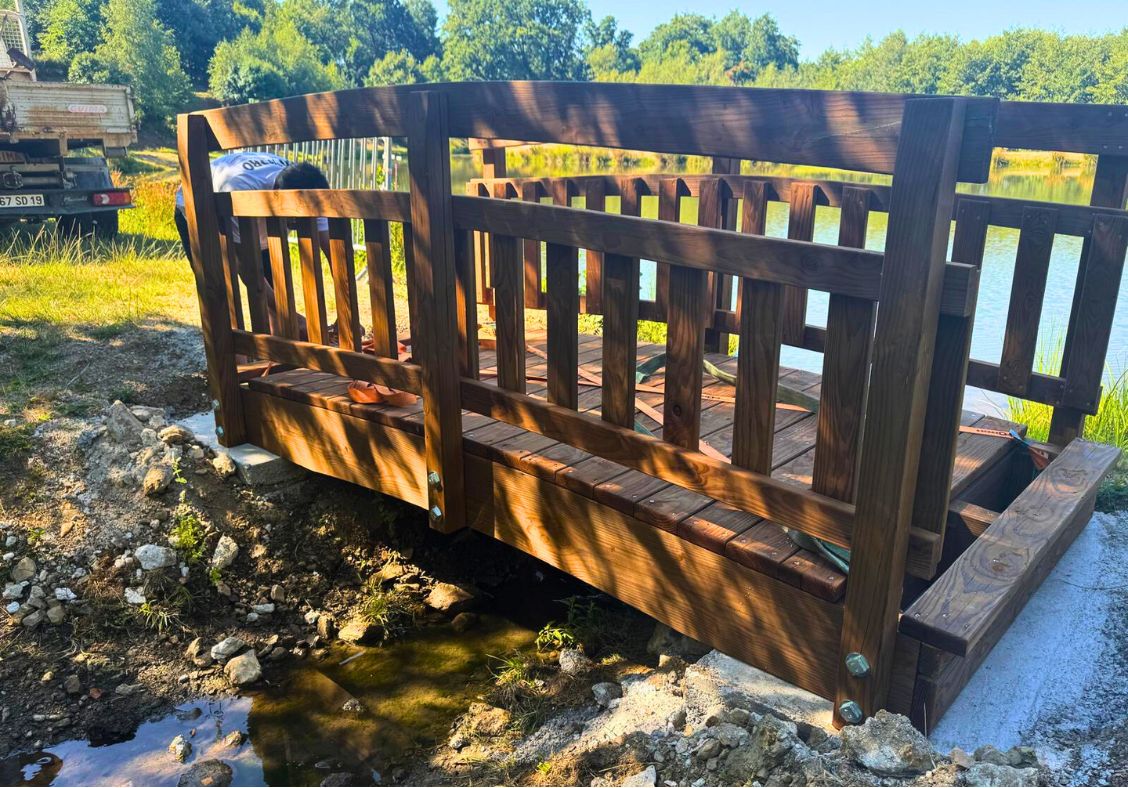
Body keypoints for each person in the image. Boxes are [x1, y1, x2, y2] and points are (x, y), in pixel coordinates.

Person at [174, 152, 331, 336]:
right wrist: (291, 315)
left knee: (274, 287)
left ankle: (281, 351)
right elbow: (245, 267)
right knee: (217, 289)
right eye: (294, 220)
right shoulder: (237, 190)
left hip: (254, 213)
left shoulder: (309, 190)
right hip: (200, 209)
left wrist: (348, 312)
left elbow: (333, 251)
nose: (297, 226)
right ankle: (234, 359)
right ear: (278, 198)